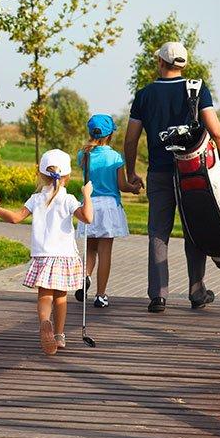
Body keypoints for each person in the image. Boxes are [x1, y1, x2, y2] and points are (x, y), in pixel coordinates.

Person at [124, 41, 220, 313]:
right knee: (194, 228)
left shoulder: (144, 95)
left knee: (158, 231)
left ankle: (158, 296)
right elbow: (218, 132)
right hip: (193, 172)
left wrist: (131, 173)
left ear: (160, 62)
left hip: (159, 172)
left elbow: (131, 140)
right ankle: (196, 291)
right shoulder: (198, 89)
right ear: (184, 65)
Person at [0, 149, 93, 356]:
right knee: (61, 297)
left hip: (43, 256)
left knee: (44, 296)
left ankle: (45, 322)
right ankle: (59, 335)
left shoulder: (36, 198)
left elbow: (15, 218)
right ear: (67, 176)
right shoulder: (69, 199)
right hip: (65, 256)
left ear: (40, 175)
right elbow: (88, 217)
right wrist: (87, 196)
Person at [75, 114, 141, 308]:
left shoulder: (83, 155)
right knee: (105, 252)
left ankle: (85, 277)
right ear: (110, 134)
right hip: (108, 207)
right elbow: (122, 185)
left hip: (89, 204)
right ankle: (100, 295)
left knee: (90, 249)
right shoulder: (114, 157)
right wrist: (134, 187)